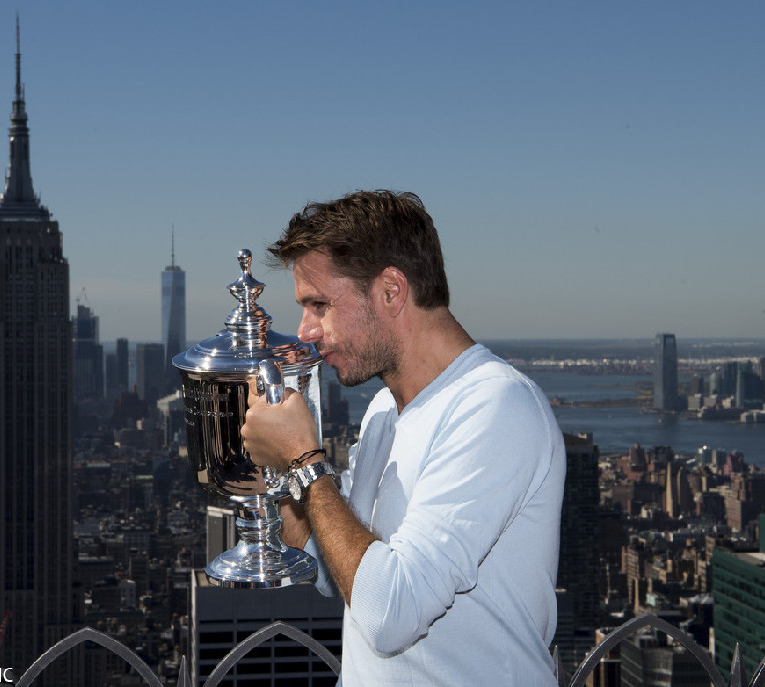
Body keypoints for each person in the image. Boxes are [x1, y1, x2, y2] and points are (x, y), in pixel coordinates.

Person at [241, 190, 566, 686]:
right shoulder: (383, 413)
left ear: (392, 291)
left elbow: (390, 614)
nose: (304, 331)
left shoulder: (495, 406)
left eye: (320, 305)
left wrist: (305, 460)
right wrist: (276, 471)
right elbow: (338, 572)